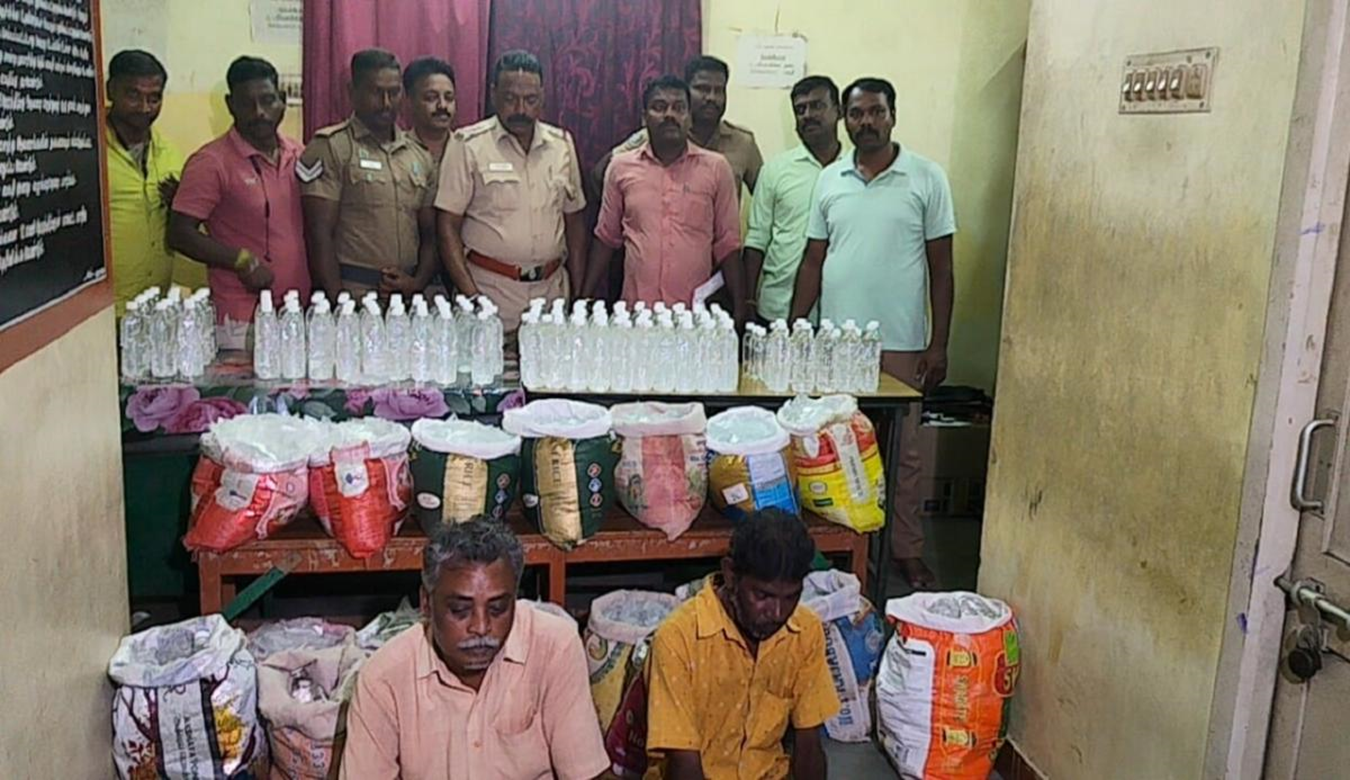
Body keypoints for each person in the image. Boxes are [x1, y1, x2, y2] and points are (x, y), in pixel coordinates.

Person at [791, 77, 956, 590]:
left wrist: (938, 344)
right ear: (846, 119)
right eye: (857, 114)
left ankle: (905, 550)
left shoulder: (927, 178)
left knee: (905, 454)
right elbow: (813, 260)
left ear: (892, 115)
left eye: (876, 112)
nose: (866, 122)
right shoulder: (830, 180)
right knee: (833, 448)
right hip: (837, 348)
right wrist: (796, 329)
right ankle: (838, 546)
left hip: (902, 345)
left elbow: (942, 269)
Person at [341, 517, 610, 779]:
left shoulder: (554, 648)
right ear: (426, 603)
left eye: (498, 608)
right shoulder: (384, 678)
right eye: (460, 610)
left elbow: (586, 772)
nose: (481, 627)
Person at [645, 510, 837, 780]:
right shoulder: (678, 639)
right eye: (763, 596)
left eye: (791, 597)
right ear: (731, 575)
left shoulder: (805, 631)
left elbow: (809, 743)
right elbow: (683, 763)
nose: (778, 613)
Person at [435, 50, 587, 332]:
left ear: (543, 96)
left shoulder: (561, 145)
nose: (521, 109)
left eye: (530, 100)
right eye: (510, 99)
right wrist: (472, 297)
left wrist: (578, 295)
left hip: (551, 297)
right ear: (494, 95)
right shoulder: (468, 144)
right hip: (490, 296)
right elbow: (447, 226)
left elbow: (574, 223)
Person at [168, 56, 309, 349]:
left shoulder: (300, 153)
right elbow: (179, 234)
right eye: (247, 104)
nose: (259, 113)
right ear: (231, 105)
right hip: (243, 317)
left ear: (282, 100)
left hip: (299, 311)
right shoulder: (211, 162)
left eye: (267, 100)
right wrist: (242, 260)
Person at [583, 75, 747, 321]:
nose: (669, 115)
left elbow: (728, 244)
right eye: (659, 107)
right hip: (636, 314)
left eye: (679, 108)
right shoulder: (620, 167)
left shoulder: (716, 168)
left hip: (693, 317)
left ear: (689, 118)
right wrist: (584, 297)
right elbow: (606, 237)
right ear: (644, 117)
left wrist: (741, 305)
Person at [299, 49, 439, 298]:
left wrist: (416, 283)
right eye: (376, 92)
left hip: (406, 295)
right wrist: (338, 302)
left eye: (394, 93)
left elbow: (431, 234)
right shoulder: (332, 147)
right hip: (353, 291)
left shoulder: (419, 155)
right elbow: (319, 234)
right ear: (352, 92)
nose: (386, 103)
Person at [743, 75, 844, 323]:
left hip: (840, 315)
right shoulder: (776, 170)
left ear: (839, 111)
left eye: (817, 106)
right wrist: (748, 300)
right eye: (800, 110)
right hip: (777, 310)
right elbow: (757, 239)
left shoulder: (856, 172)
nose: (808, 115)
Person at [593, 56, 763, 202]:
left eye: (719, 90)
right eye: (702, 89)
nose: (712, 97)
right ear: (685, 92)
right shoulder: (657, 136)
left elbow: (767, 196)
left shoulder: (743, 143)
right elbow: (600, 173)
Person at [104, 49, 185, 313]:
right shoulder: (86, 152)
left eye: (154, 98)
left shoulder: (170, 154)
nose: (144, 107)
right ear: (110, 90)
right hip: (102, 311)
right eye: (133, 95)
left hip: (155, 307)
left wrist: (179, 205)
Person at [403, 56, 457, 164]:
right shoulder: (397, 151)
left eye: (449, 98)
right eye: (431, 98)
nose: (442, 105)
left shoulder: (467, 149)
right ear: (410, 101)